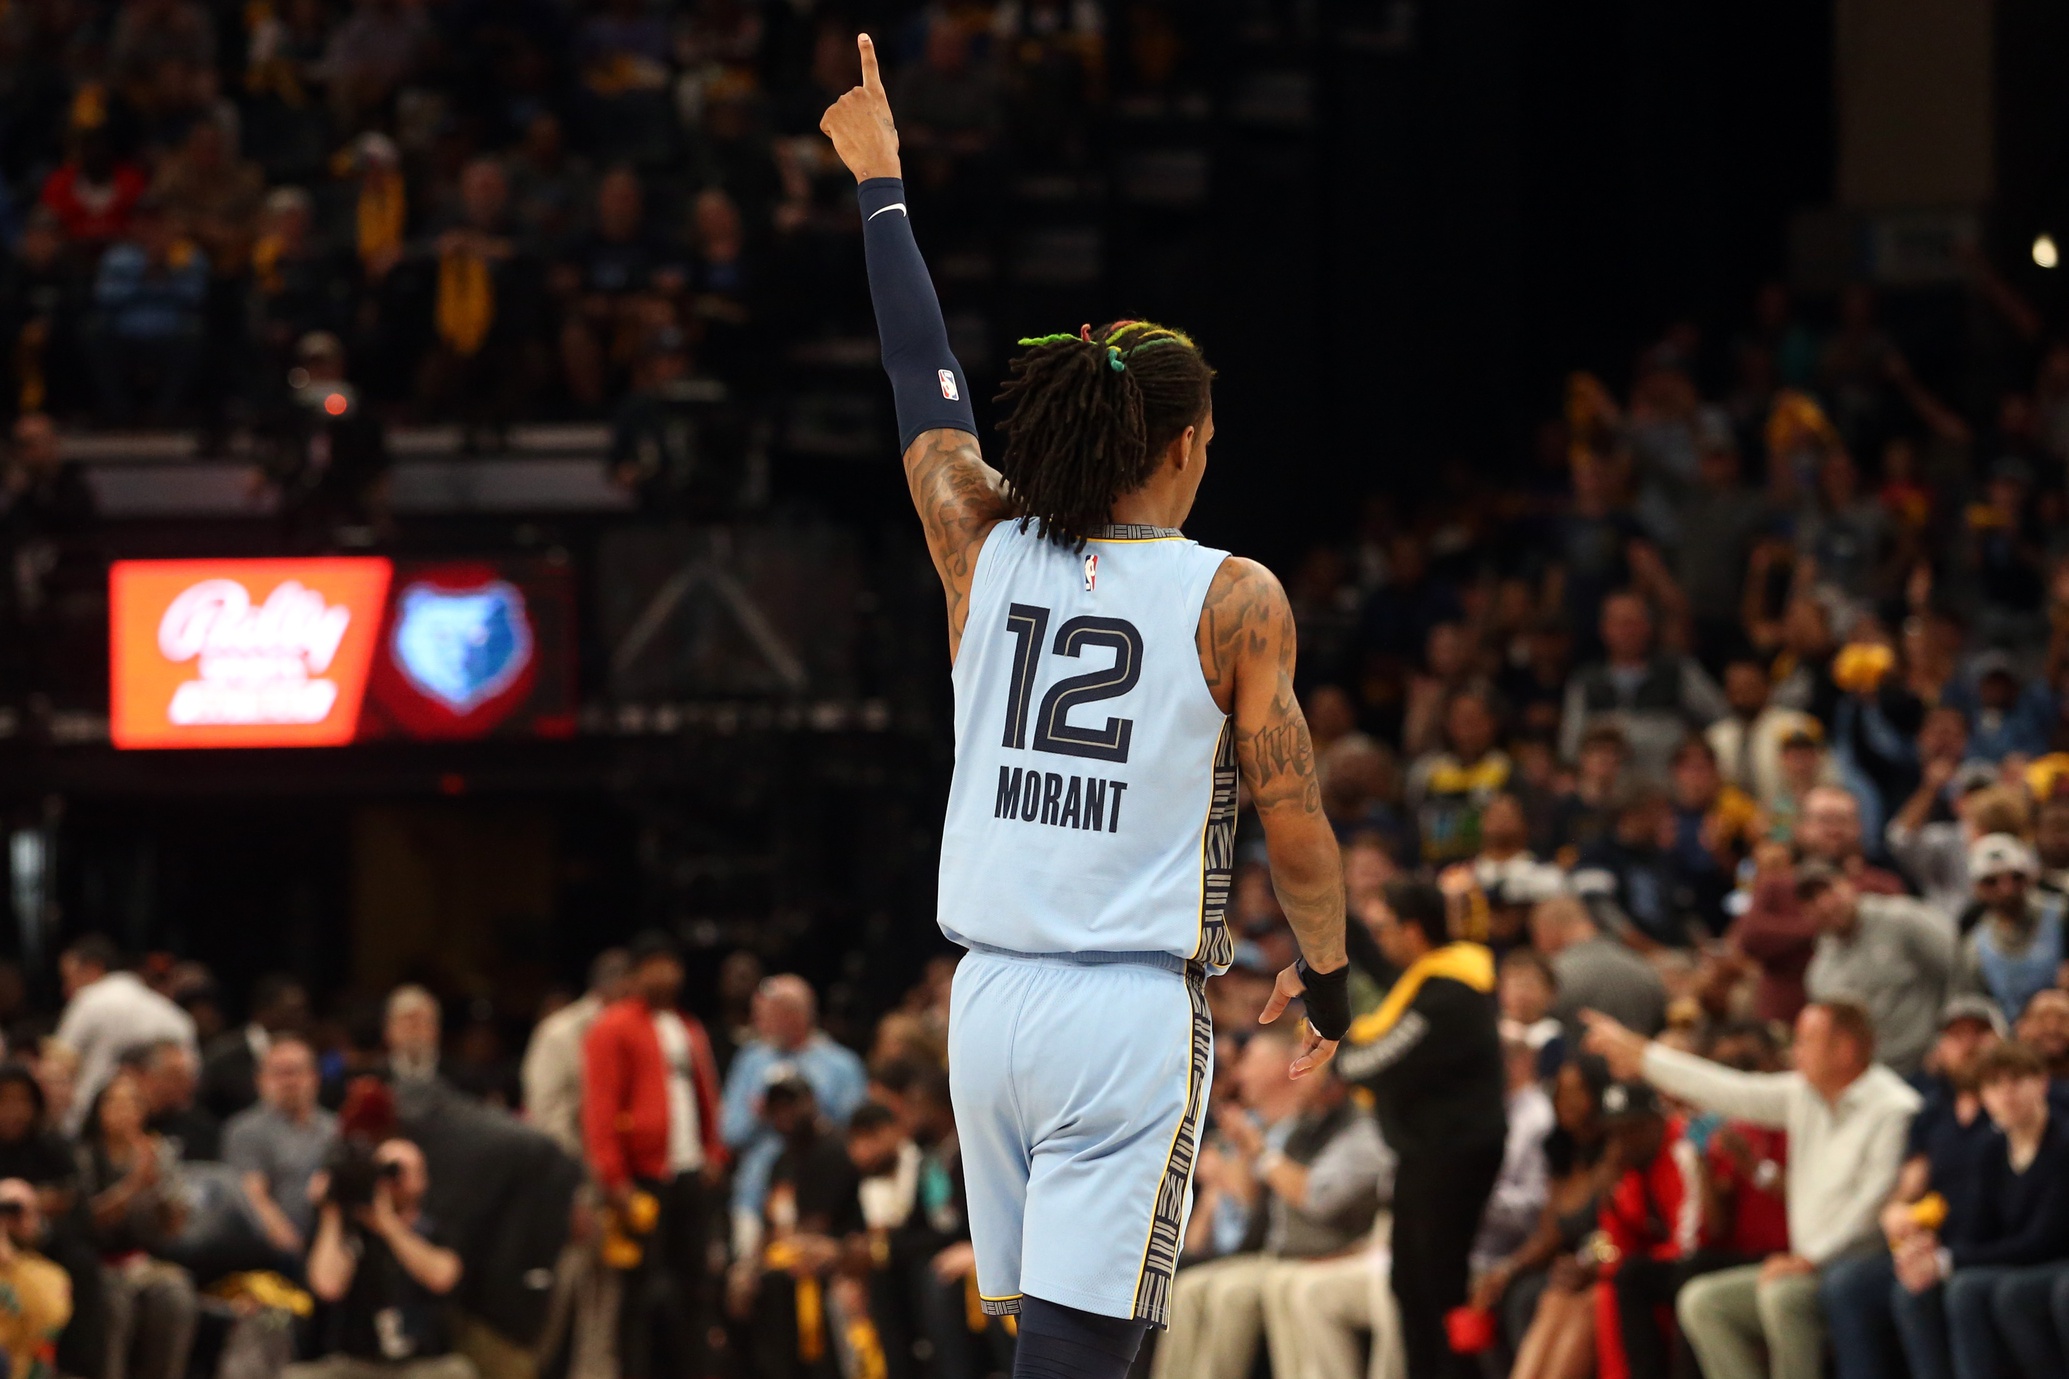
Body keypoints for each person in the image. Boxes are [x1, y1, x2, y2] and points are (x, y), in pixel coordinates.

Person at [819, 36, 1352, 1379]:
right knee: (1082, 1353)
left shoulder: (977, 540)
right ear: (1182, 445)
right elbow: (1291, 821)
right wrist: (1333, 973)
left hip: (985, 1002)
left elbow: (923, 390)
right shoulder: (1235, 596)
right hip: (1121, 1010)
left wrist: (882, 183)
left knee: (1039, 1343)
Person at [1583, 1001, 1922, 1379]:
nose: (1796, 1052)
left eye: (1806, 1041)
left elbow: (1873, 1204)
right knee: (1703, 1302)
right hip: (1806, 1265)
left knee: (1782, 1296)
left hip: (1861, 1264)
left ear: (1844, 1050)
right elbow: (1730, 1091)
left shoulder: (1893, 1107)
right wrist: (1645, 1058)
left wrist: (1812, 1259)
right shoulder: (1805, 1094)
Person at [1336, 880, 1505, 1379]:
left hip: (1452, 1158)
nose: (1381, 939)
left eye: (1386, 929)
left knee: (1437, 1287)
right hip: (1426, 1156)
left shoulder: (1449, 996)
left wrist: (1336, 1054)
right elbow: (1372, 960)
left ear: (1413, 932)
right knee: (1410, 1285)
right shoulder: (1427, 981)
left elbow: (1377, 1066)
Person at [1153, 1030, 1390, 1379]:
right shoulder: (1306, 1128)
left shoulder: (1362, 1128)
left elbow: (1316, 1197)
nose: (1303, 1075)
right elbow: (1257, 1205)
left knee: (1244, 1292)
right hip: (1284, 1255)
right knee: (1188, 1290)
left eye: (1314, 1068)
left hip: (1333, 1254)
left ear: (1338, 1080)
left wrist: (1258, 1151)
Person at [582, 931, 726, 1379]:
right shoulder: (614, 1026)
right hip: (642, 1177)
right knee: (639, 1292)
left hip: (688, 1172)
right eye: (655, 964)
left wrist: (714, 1153)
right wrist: (614, 1180)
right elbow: (600, 1110)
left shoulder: (688, 1026)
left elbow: (707, 1097)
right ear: (636, 973)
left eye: (672, 964)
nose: (666, 974)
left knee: (696, 1288)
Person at [1887, 1040, 2069, 1379]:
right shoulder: (1990, 1149)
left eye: (2017, 1080)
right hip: (2017, 1260)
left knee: (1992, 1291)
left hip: (2053, 1259)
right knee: (1927, 1289)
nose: (2006, 1094)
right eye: (1994, 1084)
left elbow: (2043, 1240)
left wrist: (1948, 1261)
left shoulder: (2061, 1145)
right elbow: (1972, 1224)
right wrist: (1929, 1249)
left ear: (2042, 1083)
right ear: (1983, 1095)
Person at [291, 1138, 473, 1379]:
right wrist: (332, 1210)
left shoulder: (435, 1228)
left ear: (424, 1179)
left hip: (421, 1363)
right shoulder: (348, 1229)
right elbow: (328, 1286)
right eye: (387, 1171)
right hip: (354, 1362)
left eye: (404, 1171)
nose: (395, 1181)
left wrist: (388, 1225)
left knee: (459, 1372)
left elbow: (443, 1277)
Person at [77, 1068, 197, 1379]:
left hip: (140, 1259)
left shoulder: (157, 1152)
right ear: (98, 1109)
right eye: (114, 1103)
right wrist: (132, 1186)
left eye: (132, 1103)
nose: (123, 1111)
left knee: (176, 1292)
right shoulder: (83, 1156)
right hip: (94, 1260)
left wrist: (161, 1190)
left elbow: (173, 1229)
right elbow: (86, 1220)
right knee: (115, 1302)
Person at [1799, 863, 1956, 1075]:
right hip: (1875, 1078)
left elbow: (1959, 970)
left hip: (1930, 1063)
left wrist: (1950, 1039)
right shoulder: (1820, 973)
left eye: (1828, 890)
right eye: (1811, 900)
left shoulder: (1903, 919)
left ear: (1849, 885)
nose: (1824, 904)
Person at [53, 936, 196, 1136]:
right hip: (163, 1125)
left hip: (88, 1123)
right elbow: (190, 1074)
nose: (65, 989)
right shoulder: (176, 1016)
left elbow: (59, 1065)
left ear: (93, 969)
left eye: (69, 977)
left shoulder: (89, 1000)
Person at [223, 1036, 337, 1261]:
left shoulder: (335, 1129)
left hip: (331, 1244)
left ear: (314, 1077)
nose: (289, 1081)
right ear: (260, 1080)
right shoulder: (245, 1130)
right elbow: (253, 1197)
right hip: (273, 1252)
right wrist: (294, 1252)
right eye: (278, 1073)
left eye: (296, 1071)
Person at [523, 949, 631, 1157]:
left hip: (633, 1170)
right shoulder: (559, 1033)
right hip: (579, 1169)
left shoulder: (644, 1032)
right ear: (622, 988)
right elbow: (547, 1114)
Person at [1956, 834, 2066, 1021]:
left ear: (2031, 877)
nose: (2006, 889)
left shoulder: (2062, 916)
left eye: (2016, 877)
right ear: (1977, 888)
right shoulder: (1974, 946)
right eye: (1991, 881)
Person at [1530, 895, 1668, 1044]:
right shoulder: (1645, 970)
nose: (1537, 945)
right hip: (1638, 1065)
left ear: (1547, 929)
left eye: (1535, 934)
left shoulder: (1552, 976)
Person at [200, 973, 310, 1121]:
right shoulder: (222, 1056)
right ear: (263, 1012)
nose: (302, 1018)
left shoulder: (305, 1052)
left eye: (302, 1010)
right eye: (292, 1011)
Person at [0, 1177, 71, 1377]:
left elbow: (46, 1320)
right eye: (8, 1210)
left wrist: (10, 1261)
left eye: (23, 1211)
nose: (15, 1219)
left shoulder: (50, 1275)